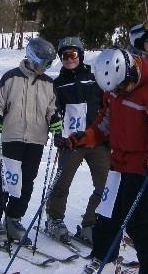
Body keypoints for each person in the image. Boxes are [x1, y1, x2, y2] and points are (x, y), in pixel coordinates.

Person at [67, 46, 148, 274]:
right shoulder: (116, 86)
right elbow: (106, 120)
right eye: (113, 90)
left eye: (121, 88)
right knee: (107, 211)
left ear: (132, 71)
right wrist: (88, 136)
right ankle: (104, 258)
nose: (117, 93)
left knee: (137, 218)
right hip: (120, 159)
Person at [0, 37, 61, 245]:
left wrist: (54, 121)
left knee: (27, 182)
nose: (46, 68)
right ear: (32, 57)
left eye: (49, 64)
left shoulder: (48, 84)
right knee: (8, 180)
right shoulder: (11, 77)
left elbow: (52, 109)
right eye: (44, 63)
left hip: (36, 139)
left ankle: (14, 219)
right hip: (13, 136)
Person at [45, 37, 110, 244]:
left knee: (105, 184)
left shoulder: (94, 79)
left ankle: (91, 222)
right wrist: (57, 135)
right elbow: (52, 112)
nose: (69, 59)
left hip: (95, 140)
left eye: (73, 55)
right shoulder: (57, 84)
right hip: (70, 141)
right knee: (62, 183)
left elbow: (107, 105)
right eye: (64, 56)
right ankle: (54, 219)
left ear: (81, 56)